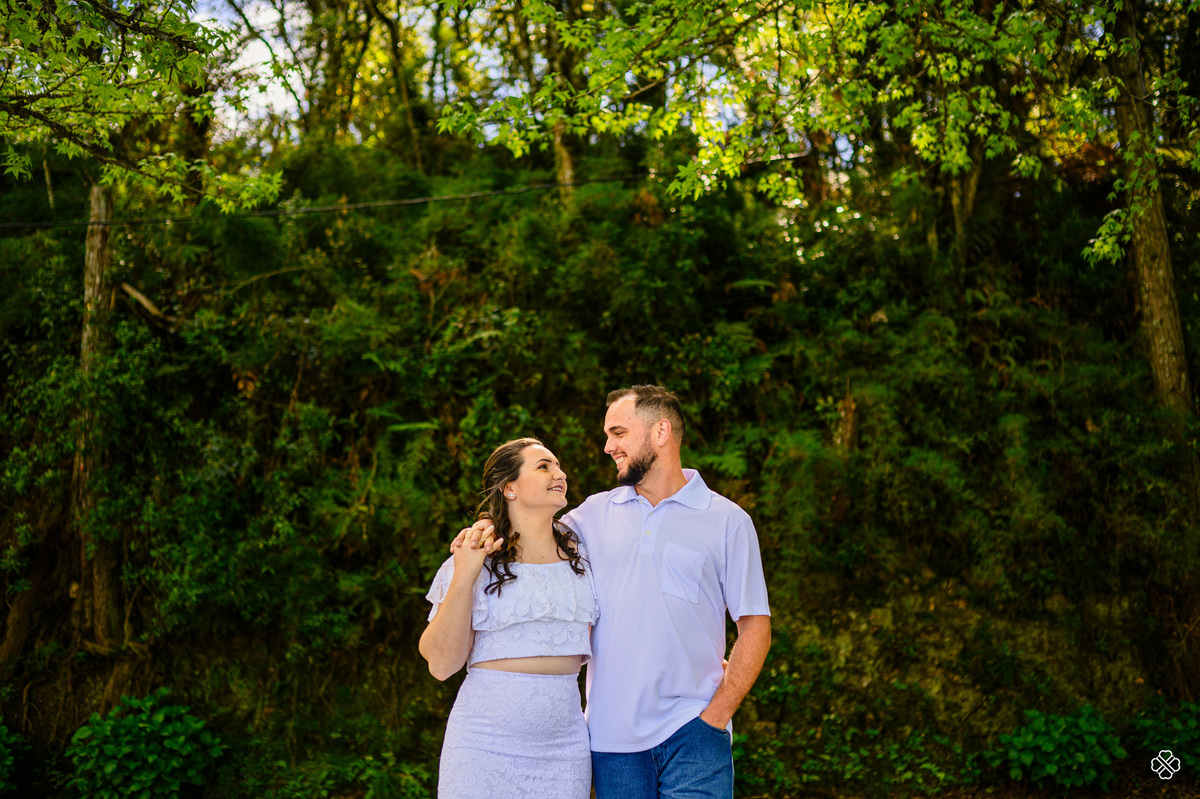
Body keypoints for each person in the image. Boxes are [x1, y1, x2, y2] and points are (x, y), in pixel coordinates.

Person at [461, 385, 772, 799]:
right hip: (610, 741)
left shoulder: (728, 521)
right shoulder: (592, 515)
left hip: (695, 731)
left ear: (660, 432)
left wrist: (716, 717)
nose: (608, 446)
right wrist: (488, 525)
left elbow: (755, 627)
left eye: (618, 433)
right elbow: (529, 532)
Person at [419, 437, 599, 799]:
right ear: (510, 488)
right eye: (544, 466)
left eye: (559, 466)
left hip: (564, 748)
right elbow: (440, 665)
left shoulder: (585, 549)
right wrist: (465, 575)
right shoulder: (475, 554)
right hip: (483, 744)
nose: (560, 474)